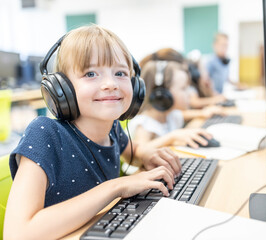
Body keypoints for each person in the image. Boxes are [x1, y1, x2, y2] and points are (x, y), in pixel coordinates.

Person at [4, 25, 181, 239]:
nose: (110, 84)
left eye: (120, 73)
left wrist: (146, 154)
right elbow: (18, 233)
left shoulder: (112, 126)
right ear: (61, 88)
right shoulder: (45, 134)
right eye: (90, 73)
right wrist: (115, 187)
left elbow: (129, 150)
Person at [128, 60, 222, 150]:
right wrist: (172, 137)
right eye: (183, 88)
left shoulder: (169, 115)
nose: (189, 94)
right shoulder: (145, 123)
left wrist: (203, 112)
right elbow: (140, 150)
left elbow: (185, 114)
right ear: (163, 94)